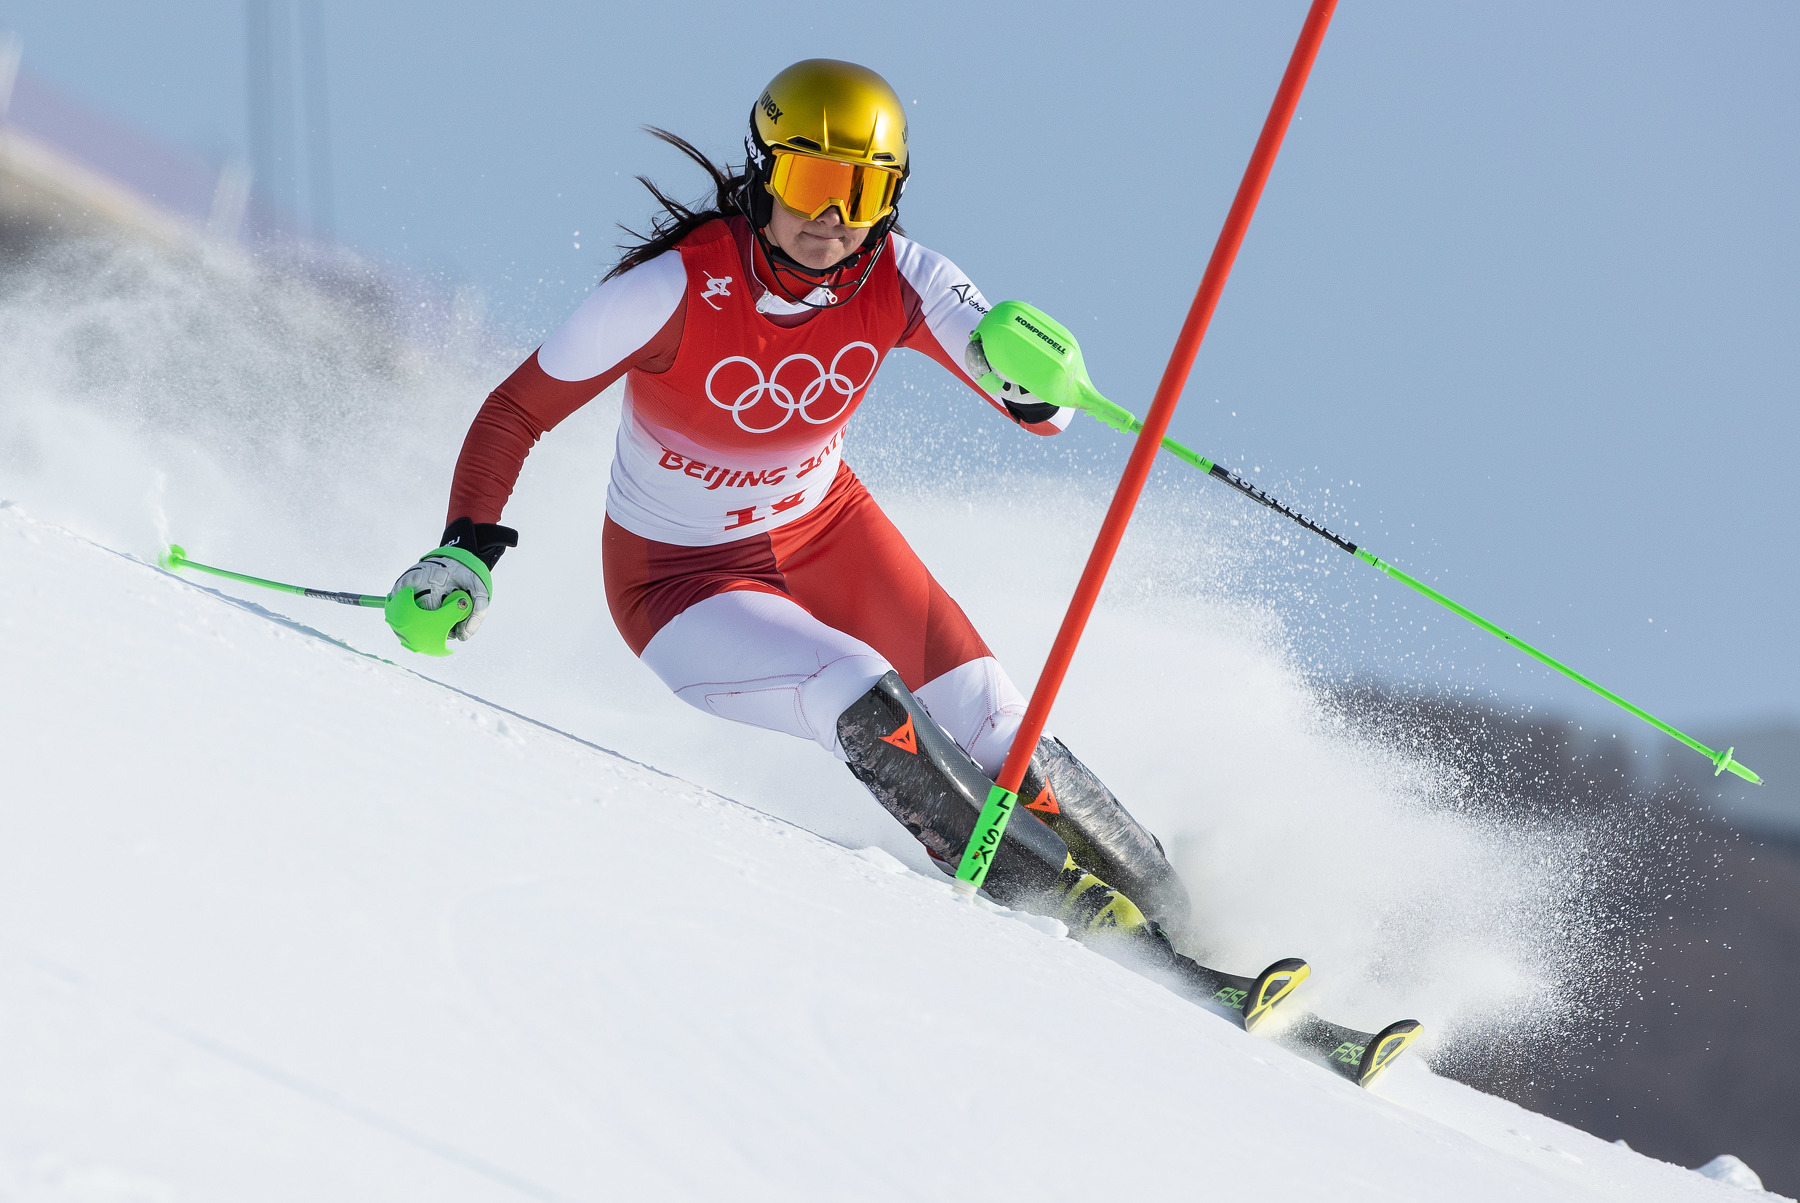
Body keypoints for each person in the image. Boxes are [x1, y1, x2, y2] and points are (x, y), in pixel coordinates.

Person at [395, 59, 1194, 968]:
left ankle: (1188, 918)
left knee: (996, 720)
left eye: (860, 190)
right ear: (766, 172)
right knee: (853, 685)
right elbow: (514, 411)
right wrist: (465, 553)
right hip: (680, 582)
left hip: (829, 533)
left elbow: (1039, 413)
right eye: (811, 181)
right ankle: (1078, 914)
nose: (831, 217)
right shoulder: (669, 290)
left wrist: (1038, 373)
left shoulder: (907, 276)